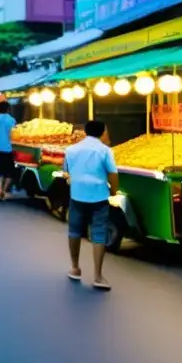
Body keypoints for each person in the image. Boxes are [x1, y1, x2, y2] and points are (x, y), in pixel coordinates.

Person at [62, 119, 119, 291]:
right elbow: (113, 174)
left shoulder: (71, 150)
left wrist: (72, 179)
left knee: (74, 230)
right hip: (99, 197)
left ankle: (74, 267)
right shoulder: (106, 151)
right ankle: (98, 276)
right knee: (99, 233)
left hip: (77, 195)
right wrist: (114, 191)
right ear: (103, 132)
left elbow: (66, 171)